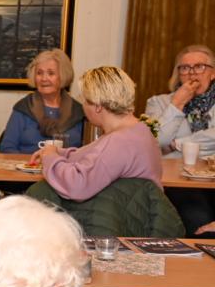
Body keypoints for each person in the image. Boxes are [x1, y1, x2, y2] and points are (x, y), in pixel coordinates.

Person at [32, 66, 161, 201]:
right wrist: (58, 152)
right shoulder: (138, 130)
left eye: (84, 100)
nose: (83, 106)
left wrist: (50, 157)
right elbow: (92, 156)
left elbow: (77, 186)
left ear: (98, 106)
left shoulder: (119, 142)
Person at [144, 45, 215, 236]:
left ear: (212, 73)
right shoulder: (158, 103)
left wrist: (177, 144)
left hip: (212, 181)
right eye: (185, 68)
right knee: (198, 217)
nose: (192, 73)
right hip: (178, 184)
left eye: (199, 66)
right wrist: (177, 104)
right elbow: (156, 140)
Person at [0, 49, 85, 153]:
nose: (44, 79)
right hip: (27, 163)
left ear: (63, 76)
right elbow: (7, 147)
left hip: (66, 164)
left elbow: (87, 151)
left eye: (51, 73)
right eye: (39, 73)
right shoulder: (24, 108)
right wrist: (30, 162)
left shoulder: (78, 111)